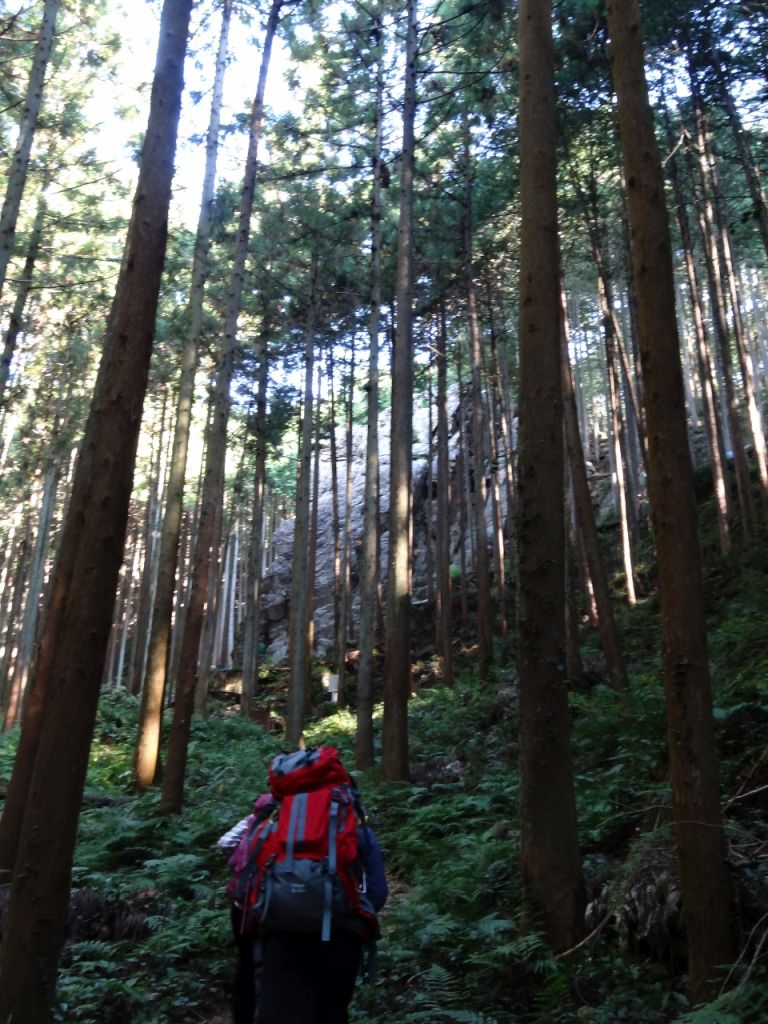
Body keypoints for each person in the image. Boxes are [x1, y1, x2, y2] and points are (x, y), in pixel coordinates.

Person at [256, 817, 388, 1024]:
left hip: (284, 932)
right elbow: (378, 892)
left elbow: (258, 883)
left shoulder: (279, 826)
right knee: (332, 1009)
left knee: (285, 1008)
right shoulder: (358, 830)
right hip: (342, 934)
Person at [218, 793, 276, 1024]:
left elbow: (224, 843)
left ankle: (242, 1017)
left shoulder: (251, 822)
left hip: (241, 905)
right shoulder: (288, 825)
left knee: (245, 964)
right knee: (274, 966)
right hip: (273, 907)